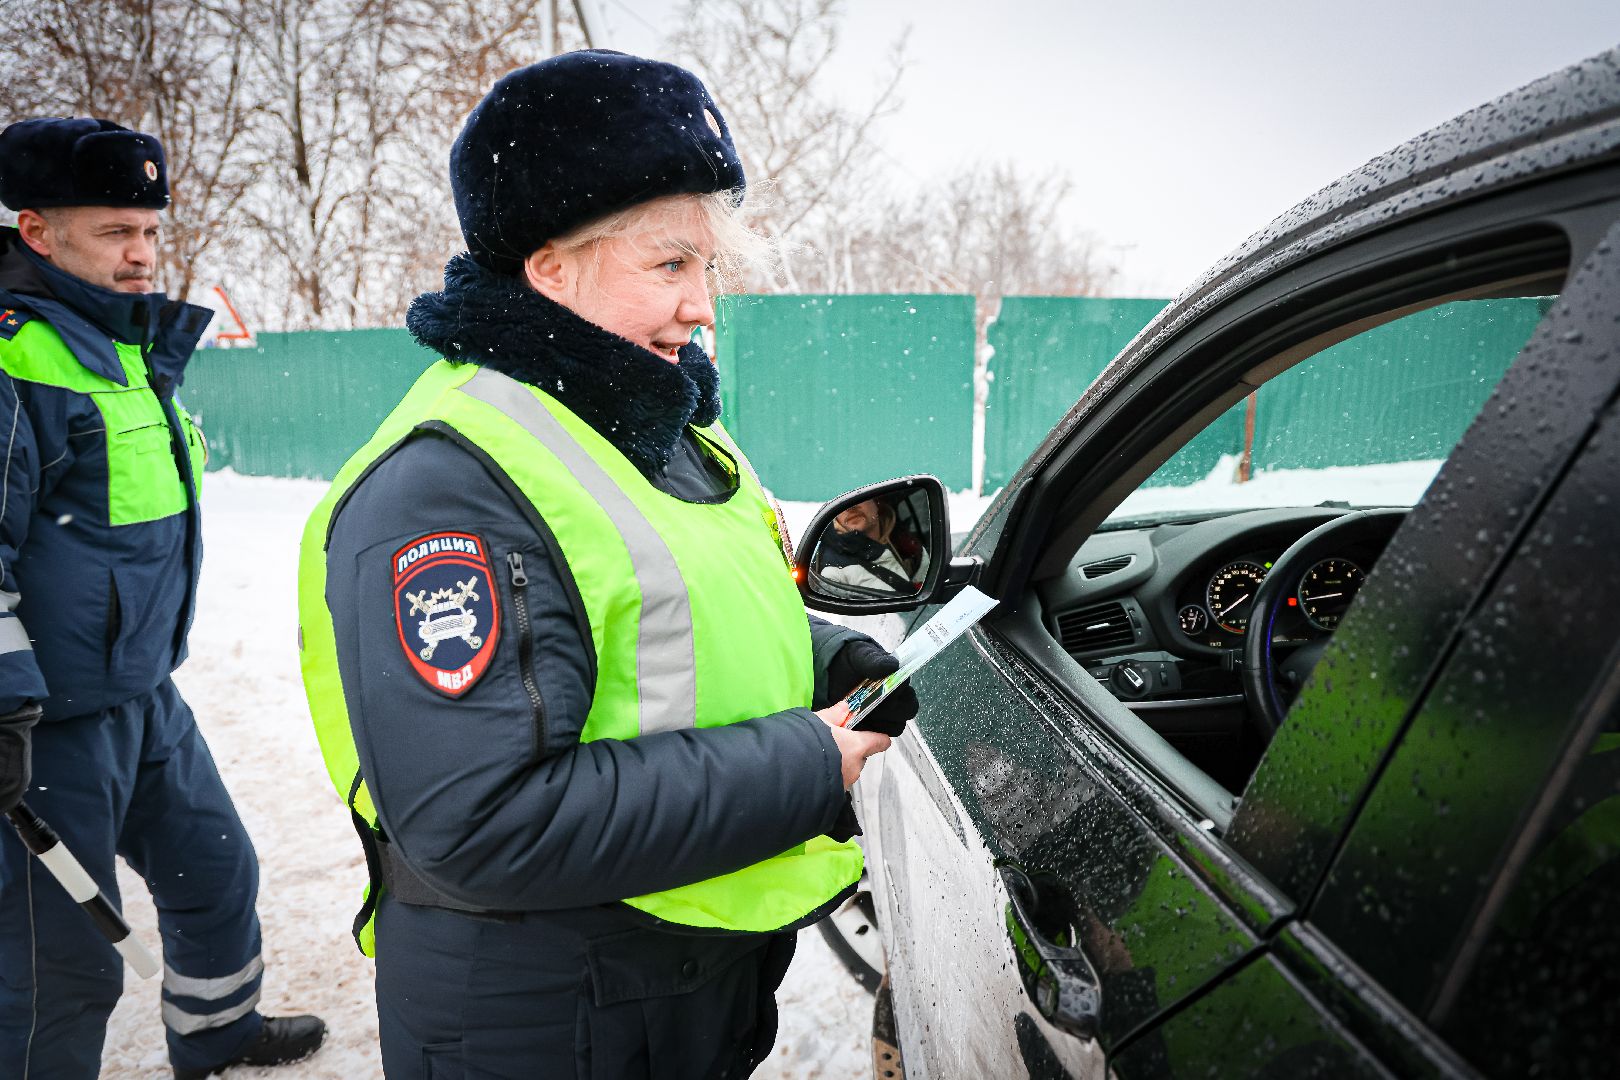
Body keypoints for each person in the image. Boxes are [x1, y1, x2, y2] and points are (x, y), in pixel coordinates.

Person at [297, 50, 917, 1078]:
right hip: (543, 1004)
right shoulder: (451, 485)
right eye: (670, 265)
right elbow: (482, 819)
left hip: (672, 969)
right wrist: (807, 763)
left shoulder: (654, 425)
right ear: (551, 268)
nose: (704, 304)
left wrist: (834, 660)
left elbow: (672, 627)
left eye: (707, 267)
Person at [0, 118, 326, 1079]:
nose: (143, 254)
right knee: (54, 966)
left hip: (143, 695)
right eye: (114, 232)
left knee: (216, 876)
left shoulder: (121, 346)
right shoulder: (16, 360)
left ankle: (217, 1034)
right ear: (37, 231)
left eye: (149, 229)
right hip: (45, 724)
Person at [818, 496, 931, 597]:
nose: (850, 507)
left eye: (860, 497)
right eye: (840, 503)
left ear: (876, 502)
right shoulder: (832, 572)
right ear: (835, 517)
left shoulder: (911, 547)